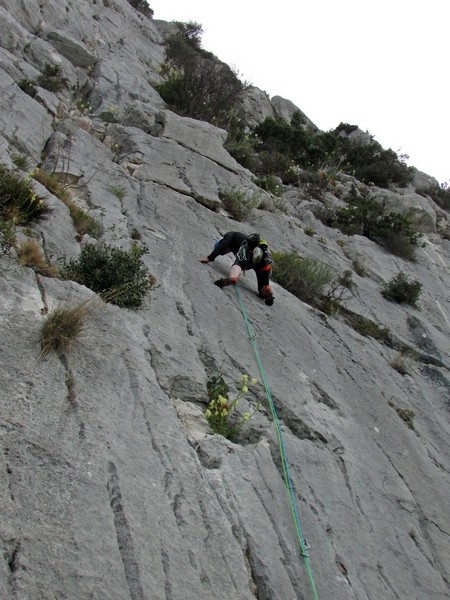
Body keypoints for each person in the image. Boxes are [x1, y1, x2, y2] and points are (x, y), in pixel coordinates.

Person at [200, 231, 274, 306]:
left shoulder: (230, 236)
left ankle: (233, 278)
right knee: (262, 289)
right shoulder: (259, 246)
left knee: (238, 265)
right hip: (262, 262)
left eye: (222, 252)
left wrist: (210, 258)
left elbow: (222, 245)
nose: (223, 252)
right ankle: (268, 290)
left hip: (248, 257)